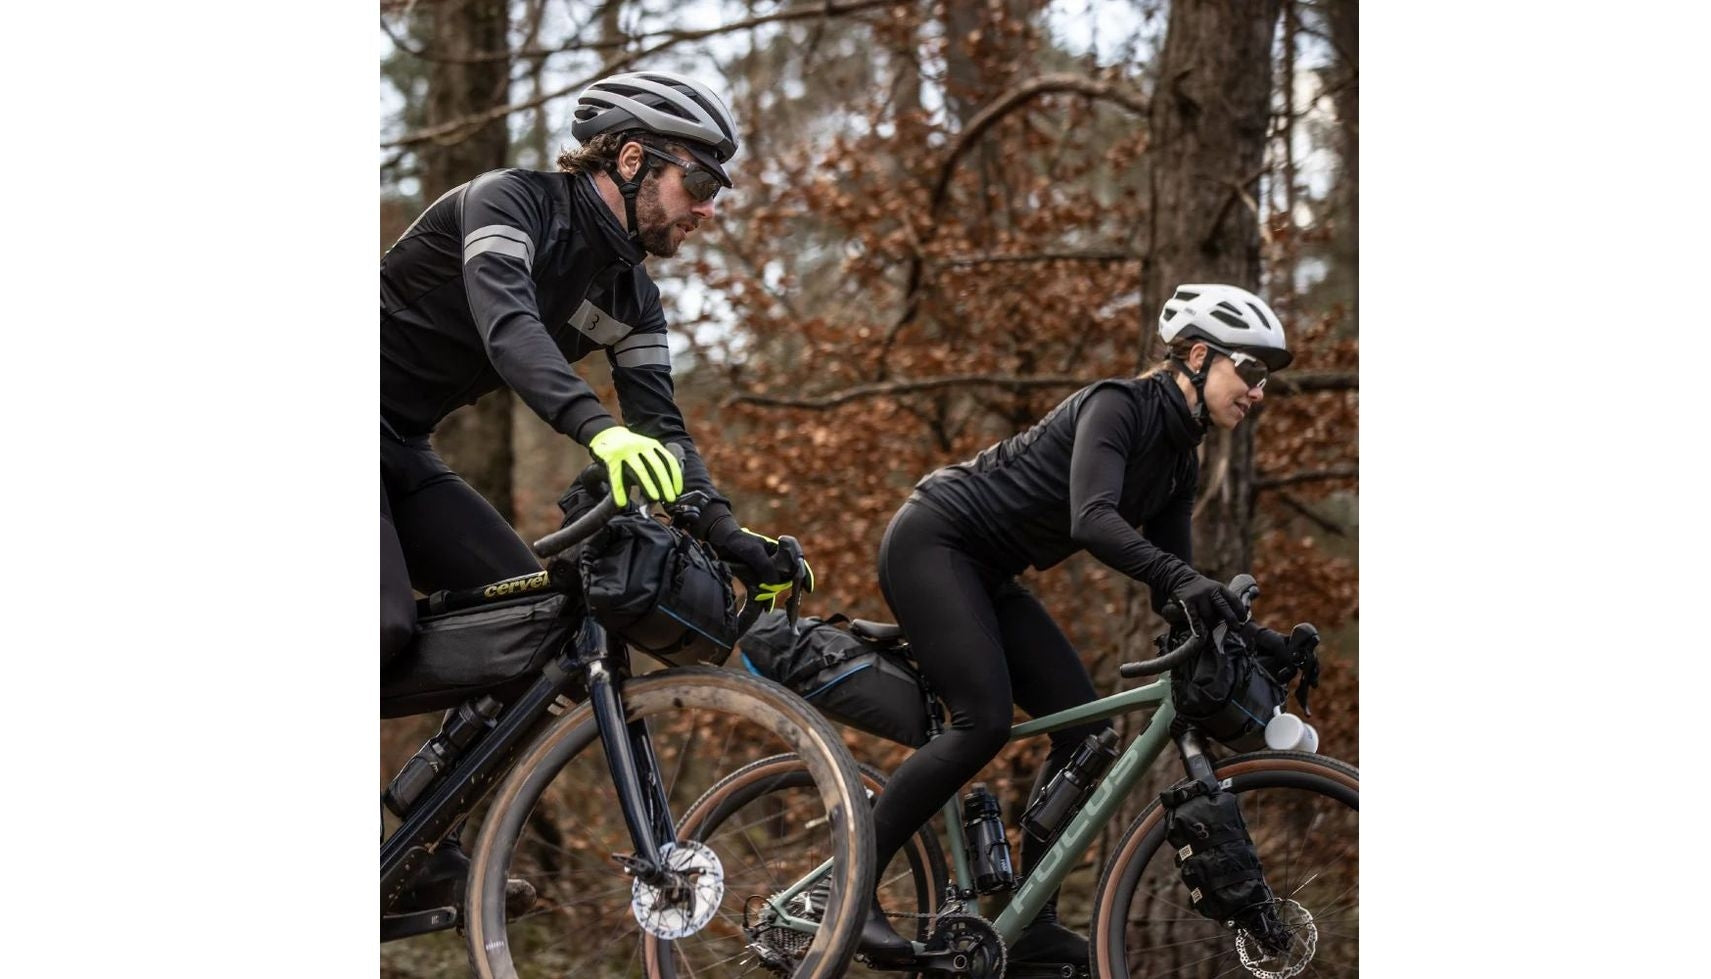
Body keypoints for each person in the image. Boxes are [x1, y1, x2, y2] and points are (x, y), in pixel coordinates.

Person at [380, 70, 807, 908]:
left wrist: (728, 535)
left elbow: (664, 429)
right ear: (633, 158)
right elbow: (510, 330)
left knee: (536, 634)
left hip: (396, 446)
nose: (709, 209)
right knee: (384, 624)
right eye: (701, 183)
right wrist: (595, 428)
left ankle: (416, 841)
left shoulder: (632, 298)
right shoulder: (507, 203)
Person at [855, 284, 1296, 968]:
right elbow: (1091, 518)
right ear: (1199, 356)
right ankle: (853, 894)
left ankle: (1033, 920)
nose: (1259, 392)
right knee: (983, 722)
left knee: (1087, 734)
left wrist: (1254, 636)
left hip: (989, 573)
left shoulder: (1179, 462)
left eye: (1266, 379)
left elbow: (1173, 588)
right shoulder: (1118, 405)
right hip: (934, 541)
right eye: (1252, 370)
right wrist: (1184, 581)